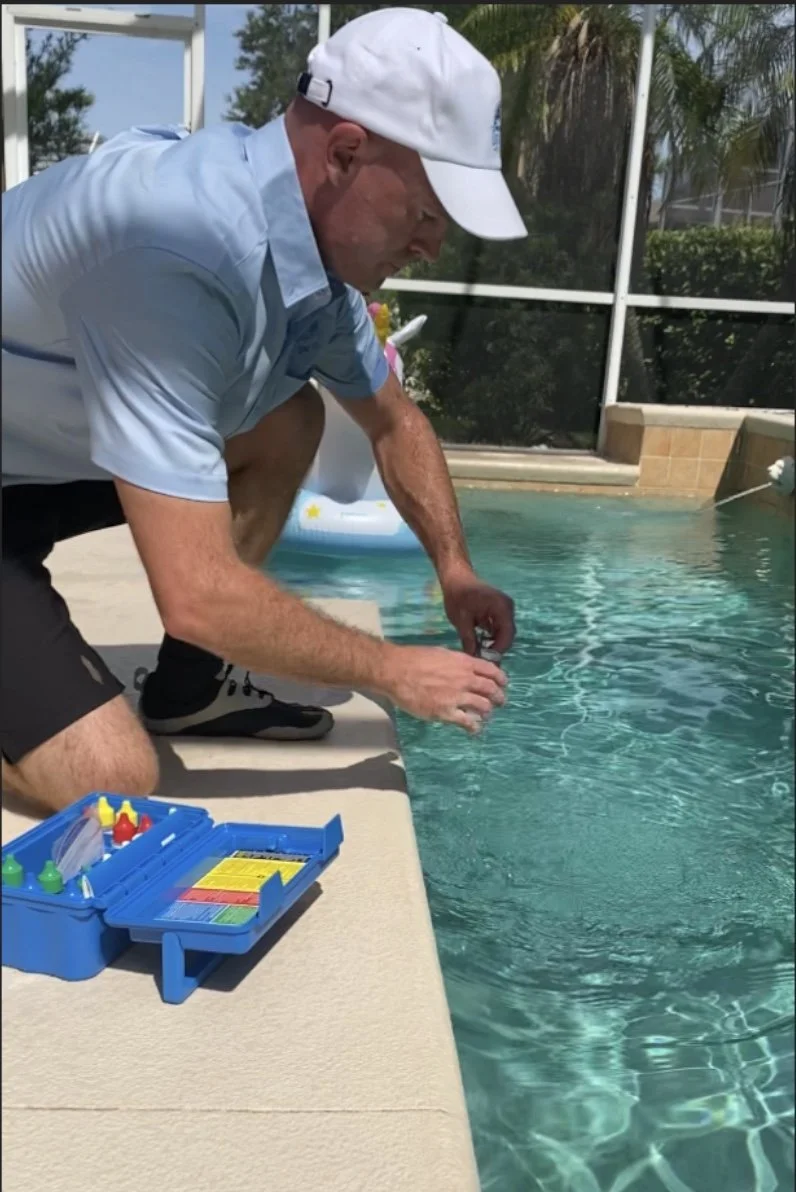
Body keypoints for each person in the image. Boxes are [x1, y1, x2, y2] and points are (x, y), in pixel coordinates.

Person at [1, 8, 527, 814]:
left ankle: (190, 688)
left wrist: (453, 570)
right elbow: (198, 592)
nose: (433, 245)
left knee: (288, 417)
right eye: (426, 215)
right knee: (108, 781)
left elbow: (393, 421)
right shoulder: (172, 247)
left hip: (29, 460)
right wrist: (392, 670)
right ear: (345, 153)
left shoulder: (308, 259)